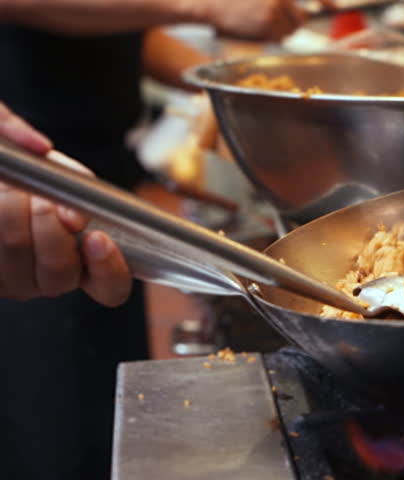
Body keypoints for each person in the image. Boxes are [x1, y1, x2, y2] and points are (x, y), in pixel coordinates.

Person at [0, 1, 303, 478]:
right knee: (52, 427)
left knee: (106, 411)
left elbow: (119, 37)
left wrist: (241, 83)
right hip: (25, 186)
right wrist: (207, 7)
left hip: (94, 175)